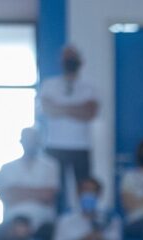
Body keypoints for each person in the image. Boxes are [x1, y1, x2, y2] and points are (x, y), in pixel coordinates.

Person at [38, 45, 99, 203]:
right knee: (57, 189)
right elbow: (48, 110)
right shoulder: (49, 84)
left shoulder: (89, 86)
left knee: (84, 187)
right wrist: (77, 108)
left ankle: (84, 220)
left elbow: (90, 113)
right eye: (66, 57)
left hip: (81, 146)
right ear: (60, 61)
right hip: (55, 145)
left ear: (80, 61)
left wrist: (60, 107)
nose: (69, 61)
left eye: (72, 57)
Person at [0, 126, 60, 240]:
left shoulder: (51, 165)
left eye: (33, 140)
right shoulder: (7, 168)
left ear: (39, 142)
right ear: (21, 141)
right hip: (12, 221)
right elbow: (6, 196)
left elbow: (49, 196)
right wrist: (38, 193)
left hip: (43, 223)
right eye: (28, 140)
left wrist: (18, 191)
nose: (31, 143)